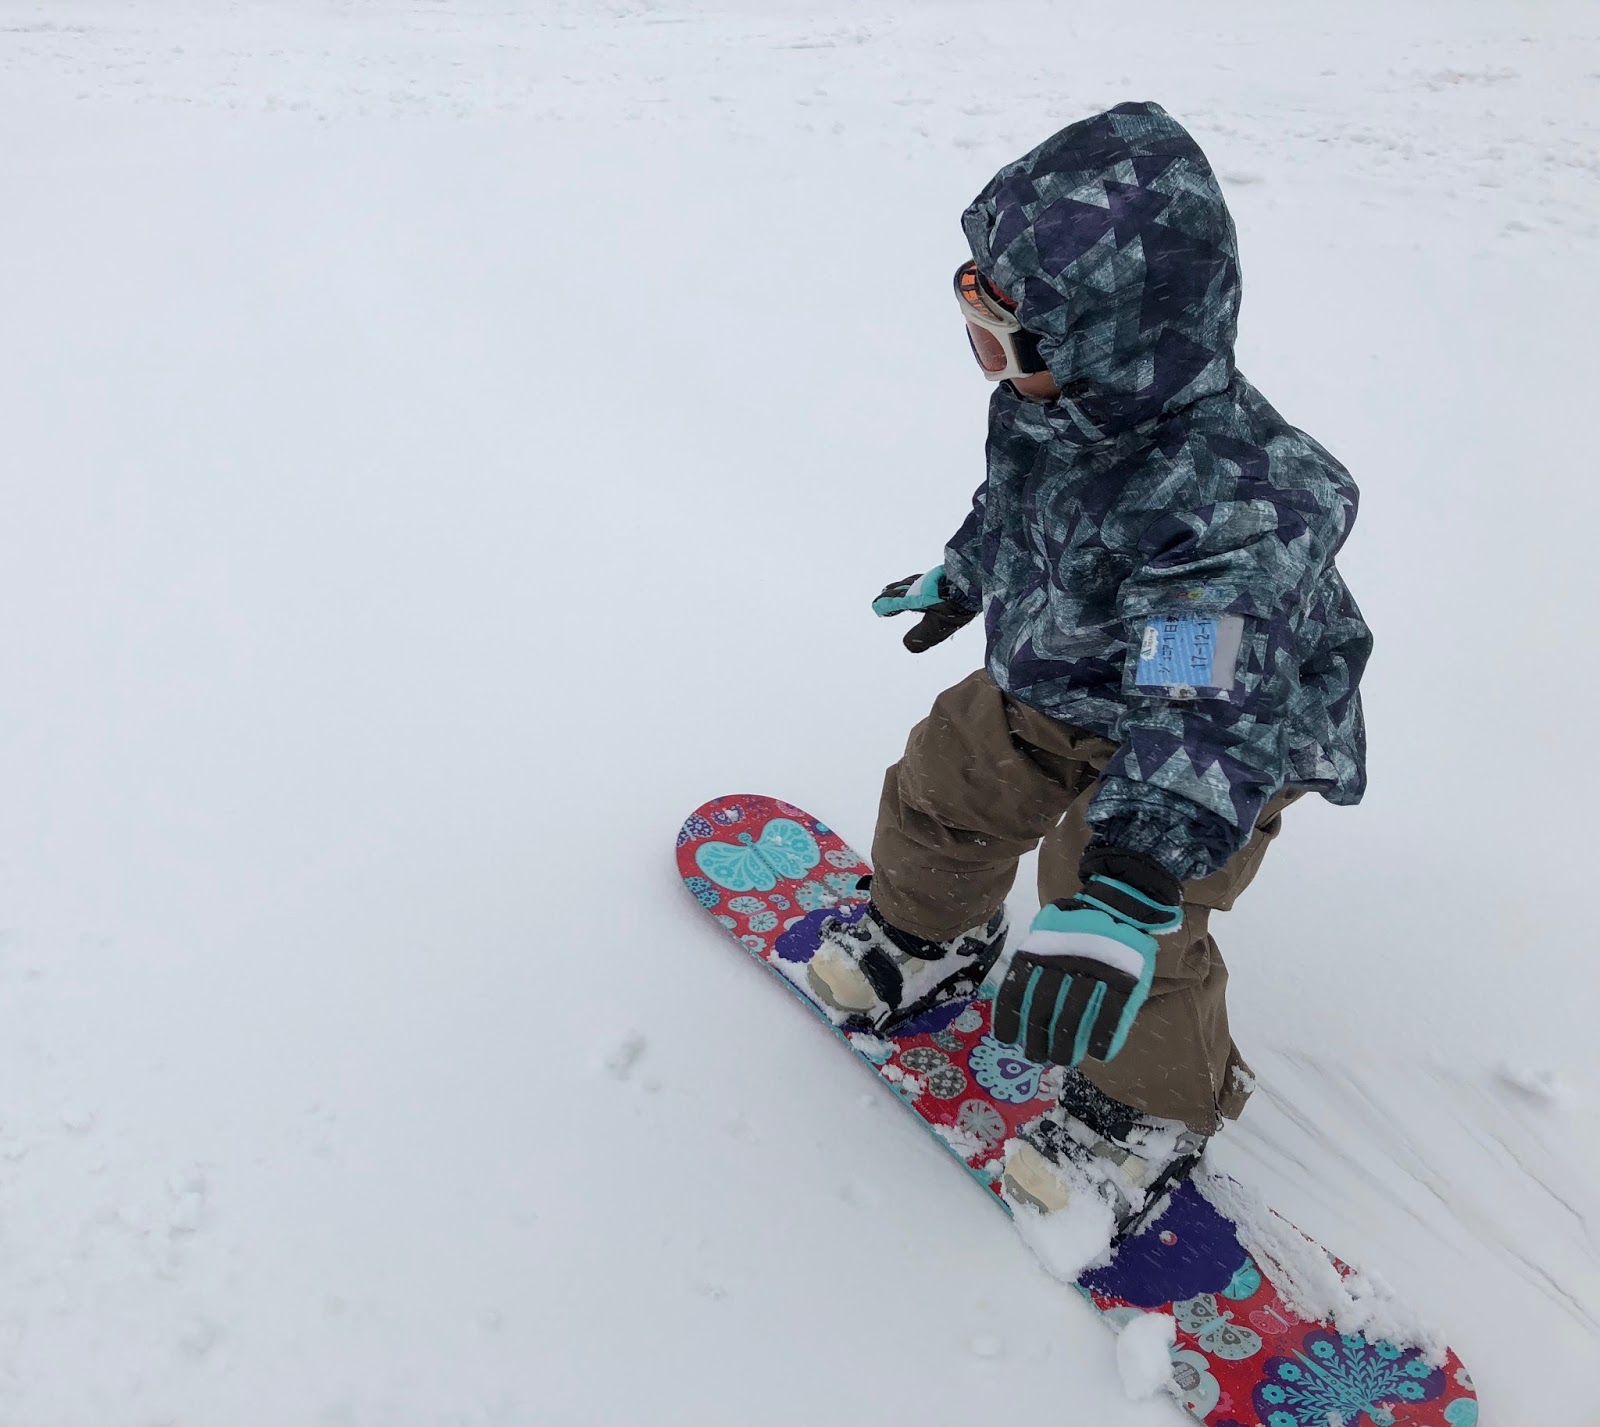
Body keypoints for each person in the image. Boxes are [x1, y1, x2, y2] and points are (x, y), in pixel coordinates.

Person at [807, 101, 1371, 1233]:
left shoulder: (1231, 504)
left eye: (1000, 344)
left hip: (1199, 752)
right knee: (941, 785)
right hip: (1050, 677)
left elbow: (1206, 688)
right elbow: (1017, 505)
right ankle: (932, 934)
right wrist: (964, 575)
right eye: (973, 330)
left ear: (1115, 344)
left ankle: (1142, 1114)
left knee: (1117, 923)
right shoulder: (1055, 411)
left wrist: (1135, 867)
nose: (987, 368)